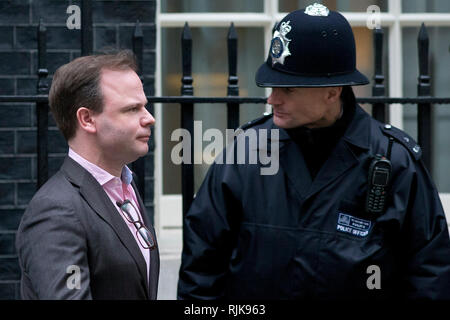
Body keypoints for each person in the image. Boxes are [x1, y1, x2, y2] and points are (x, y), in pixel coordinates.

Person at [177, 4, 450, 299]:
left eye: (289, 89)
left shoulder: (395, 162)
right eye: (272, 85)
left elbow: (429, 276)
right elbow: (201, 271)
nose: (272, 99)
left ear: (332, 92)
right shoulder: (244, 154)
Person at [16, 50, 159, 299]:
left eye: (145, 106)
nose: (150, 118)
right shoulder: (56, 211)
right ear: (87, 119)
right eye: (133, 109)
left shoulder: (125, 186)